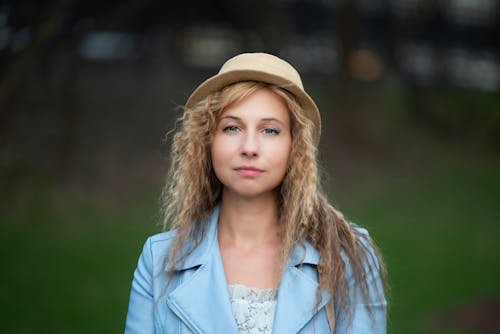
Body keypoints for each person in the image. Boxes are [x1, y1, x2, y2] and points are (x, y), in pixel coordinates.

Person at [125, 52, 387, 333]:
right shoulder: (159, 260)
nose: (249, 147)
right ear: (208, 141)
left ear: (295, 147)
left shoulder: (348, 255)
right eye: (232, 127)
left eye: (270, 130)